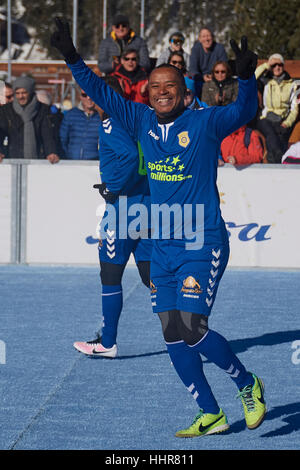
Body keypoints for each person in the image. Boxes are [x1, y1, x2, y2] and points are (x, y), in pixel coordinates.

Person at [51, 19, 266, 437]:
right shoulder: (140, 120)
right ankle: (210, 412)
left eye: (170, 86)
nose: (162, 92)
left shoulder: (204, 123)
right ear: (146, 94)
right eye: (155, 87)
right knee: (171, 331)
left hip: (201, 242)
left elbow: (244, 111)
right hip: (162, 244)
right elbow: (99, 91)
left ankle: (247, 383)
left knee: (192, 327)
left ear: (185, 93)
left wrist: (244, 78)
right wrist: (72, 57)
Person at [74, 76, 152, 358]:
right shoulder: (135, 119)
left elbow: (130, 157)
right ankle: (183, 332)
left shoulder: (110, 123)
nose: (88, 98)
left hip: (122, 210)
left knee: (110, 274)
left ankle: (107, 342)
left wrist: (113, 187)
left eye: (91, 93)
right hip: (146, 205)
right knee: (150, 276)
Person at [0, 76, 59, 163]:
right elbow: (1, 132)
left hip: (37, 158)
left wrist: (51, 152)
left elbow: (47, 135)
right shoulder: (6, 110)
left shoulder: (42, 109)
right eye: (17, 93)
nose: (21, 96)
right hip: (10, 157)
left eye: (24, 93)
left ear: (31, 92)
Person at [255, 53, 299, 163]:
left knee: (280, 134)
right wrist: (266, 65)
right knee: (270, 133)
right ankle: (279, 156)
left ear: (283, 66)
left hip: (283, 118)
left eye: (280, 65)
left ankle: (274, 159)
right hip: (266, 117)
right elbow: (253, 77)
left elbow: (295, 108)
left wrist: (287, 123)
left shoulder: (291, 84)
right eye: (274, 65)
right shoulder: (266, 81)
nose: (277, 67)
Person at [59, 88, 101, 160]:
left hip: (94, 164)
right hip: (72, 163)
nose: (89, 98)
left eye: (91, 94)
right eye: (85, 95)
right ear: (80, 97)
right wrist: (67, 157)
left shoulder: (101, 117)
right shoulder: (70, 115)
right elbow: (62, 139)